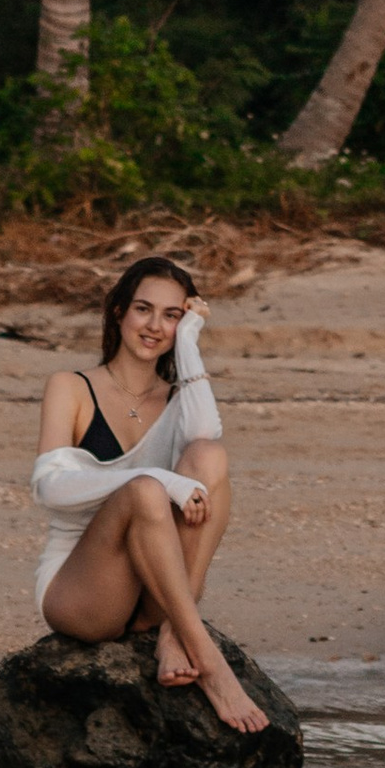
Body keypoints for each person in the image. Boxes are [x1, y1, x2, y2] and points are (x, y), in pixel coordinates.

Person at [33, 255, 266, 733]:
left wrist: (192, 344)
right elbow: (50, 488)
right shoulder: (71, 388)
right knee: (144, 490)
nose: (154, 326)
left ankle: (170, 631)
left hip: (151, 585)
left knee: (210, 456)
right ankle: (209, 662)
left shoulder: (178, 398)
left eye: (171, 315)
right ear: (118, 311)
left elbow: (205, 435)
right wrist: (163, 482)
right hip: (81, 592)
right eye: (143, 309)